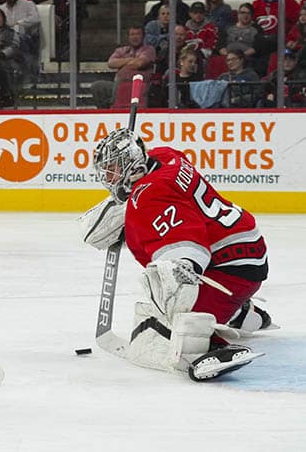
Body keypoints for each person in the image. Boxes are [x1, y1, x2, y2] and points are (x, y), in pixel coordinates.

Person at [79, 128, 274, 381]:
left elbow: (189, 247)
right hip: (246, 250)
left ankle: (209, 348)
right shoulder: (168, 157)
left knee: (160, 307)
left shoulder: (149, 195)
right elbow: (167, 194)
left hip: (228, 269)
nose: (108, 176)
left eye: (113, 168)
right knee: (176, 288)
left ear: (131, 163)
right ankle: (242, 312)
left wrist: (180, 277)